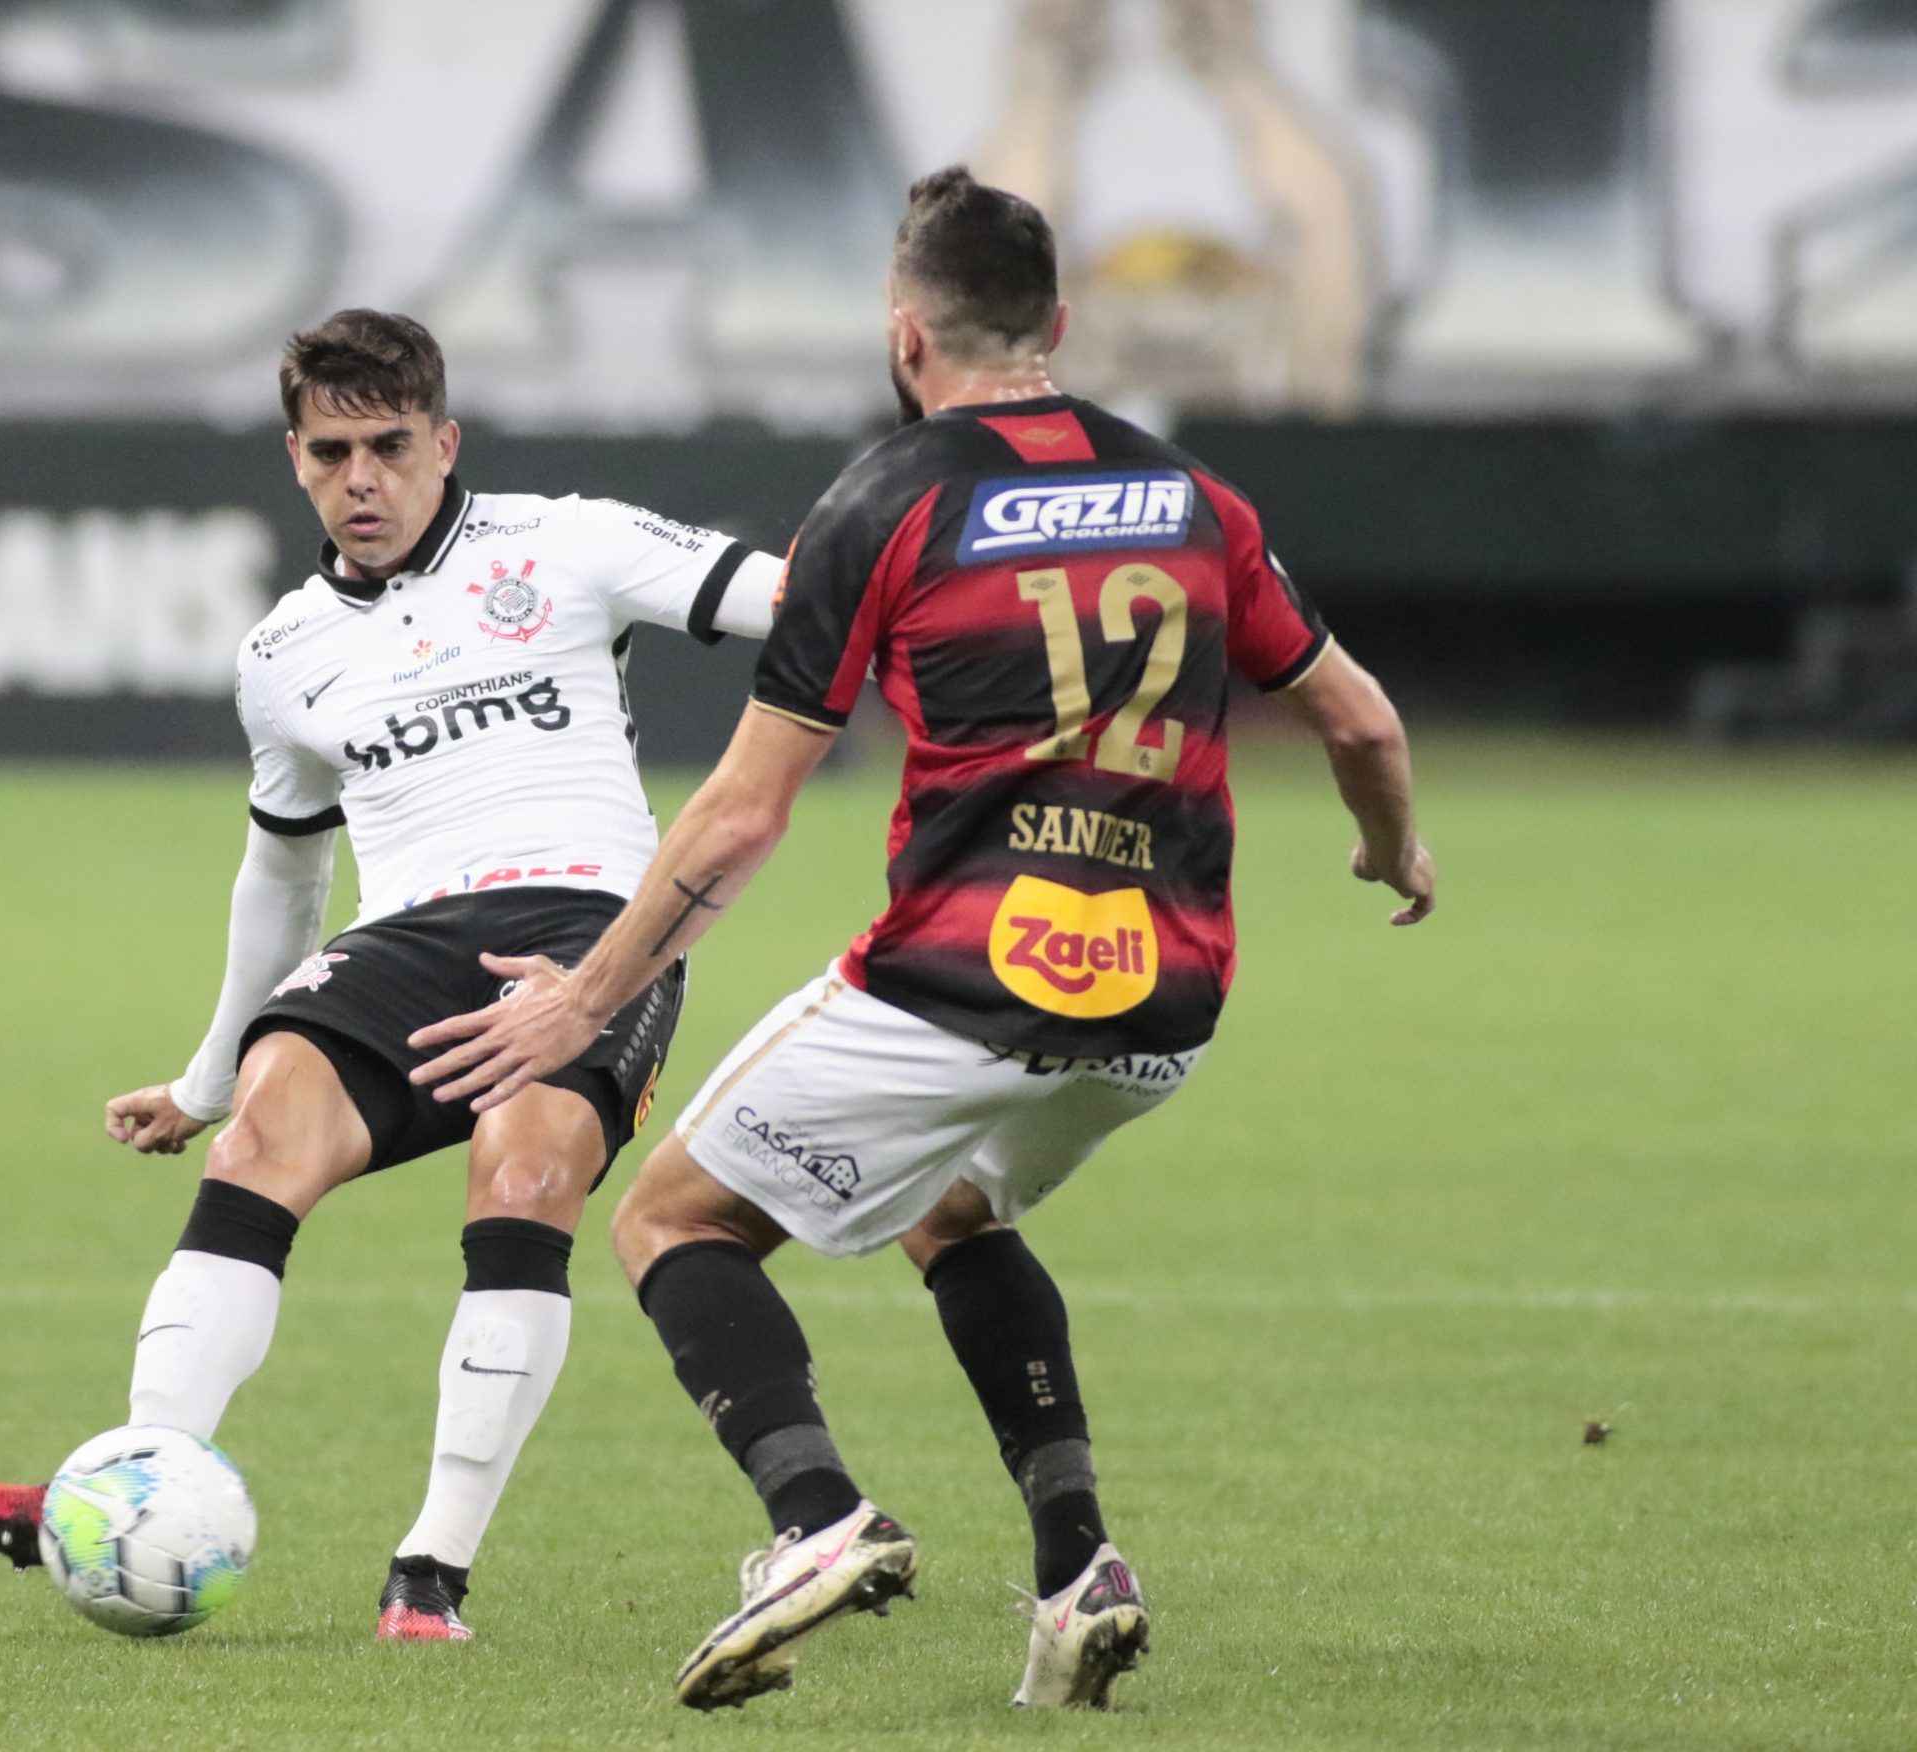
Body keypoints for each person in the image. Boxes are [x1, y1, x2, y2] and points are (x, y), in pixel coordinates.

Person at [406, 168, 1435, 1709]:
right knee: (952, 1209)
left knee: (671, 1221)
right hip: (1165, 1002)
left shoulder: (886, 502)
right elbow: (1358, 713)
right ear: (1060, 327)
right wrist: (1386, 842)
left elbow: (743, 817)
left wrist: (589, 1000)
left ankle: (815, 1521)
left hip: (959, 981)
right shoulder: (1193, 498)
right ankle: (1079, 1566)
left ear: (906, 338)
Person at [0, 309, 782, 1642]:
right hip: (405, 936)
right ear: (295, 459)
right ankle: (133, 1487)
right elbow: (282, 876)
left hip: (586, 929)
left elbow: (791, 603)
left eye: (392, 446)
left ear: (446, 442)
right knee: (260, 1141)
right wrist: (210, 1078)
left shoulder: (565, 543)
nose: (365, 478)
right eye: (333, 453)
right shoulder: (282, 655)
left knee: (522, 1172)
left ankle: (430, 1571)